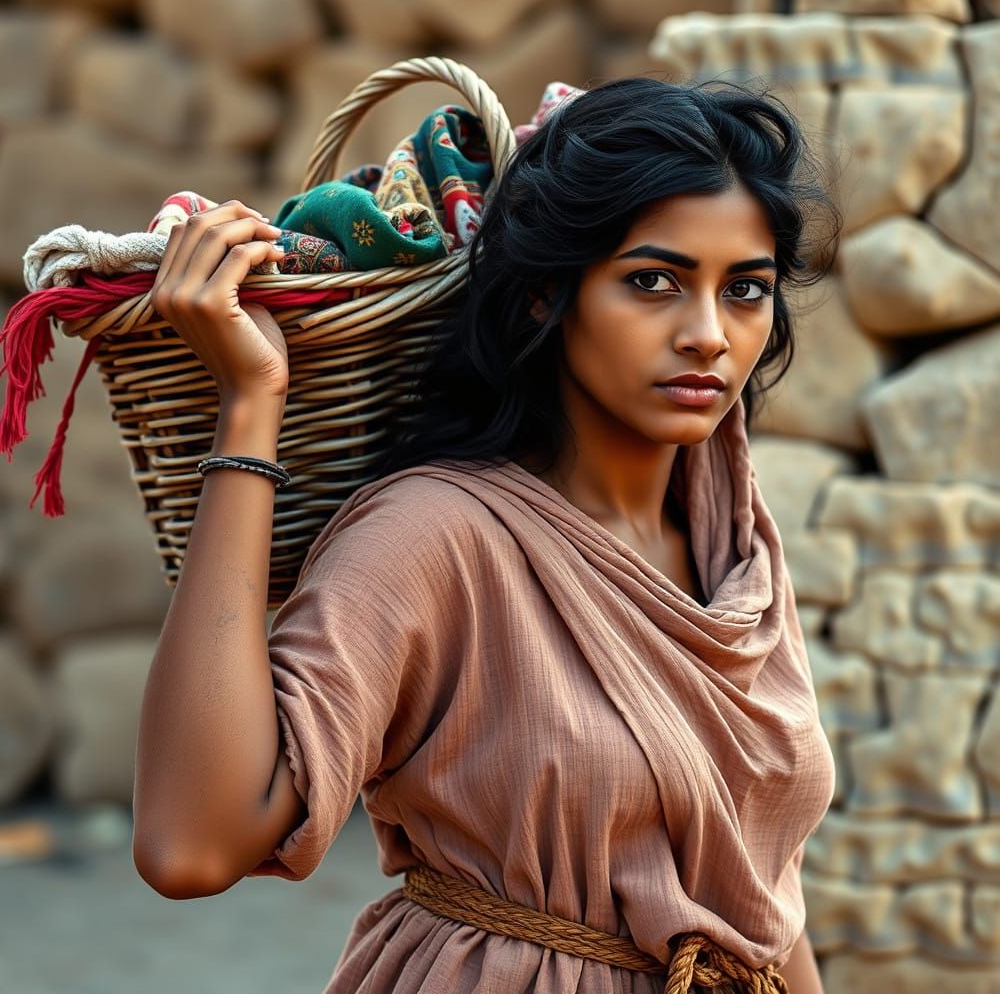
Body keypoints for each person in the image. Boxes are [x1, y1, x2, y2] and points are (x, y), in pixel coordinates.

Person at [131, 76, 841, 993]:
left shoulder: (731, 534)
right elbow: (191, 845)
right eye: (653, 281)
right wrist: (250, 408)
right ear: (548, 296)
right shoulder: (435, 535)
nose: (709, 334)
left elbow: (757, 888)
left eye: (745, 289)